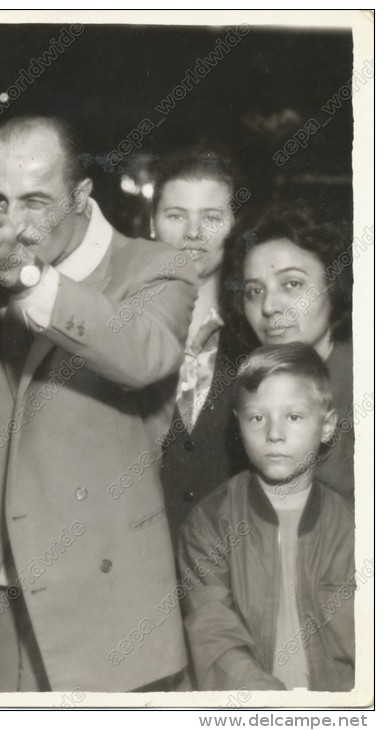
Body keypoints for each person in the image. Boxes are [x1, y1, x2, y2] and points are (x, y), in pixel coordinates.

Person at [0, 115, 198, 692]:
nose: (16, 225)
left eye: (35, 201)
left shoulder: (157, 267)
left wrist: (26, 277)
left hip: (98, 606)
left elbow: (140, 354)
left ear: (82, 196)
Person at [179, 343, 355, 692]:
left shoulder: (354, 525)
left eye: (294, 416)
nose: (274, 434)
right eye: (257, 417)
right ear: (238, 425)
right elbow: (213, 638)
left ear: (327, 426)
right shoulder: (210, 523)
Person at [222, 206, 354, 499]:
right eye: (254, 291)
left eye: (292, 284)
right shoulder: (246, 387)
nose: (269, 307)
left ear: (333, 286)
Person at [151, 151, 245, 546]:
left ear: (235, 227)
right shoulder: (119, 326)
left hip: (229, 563)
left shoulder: (256, 335)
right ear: (153, 225)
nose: (193, 232)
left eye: (211, 218)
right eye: (176, 215)